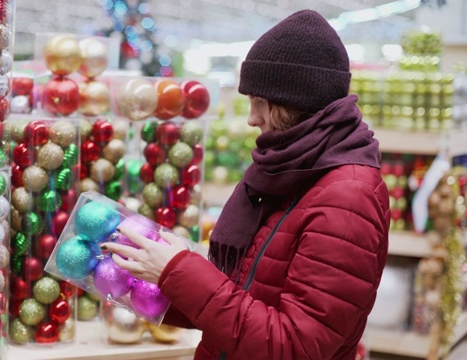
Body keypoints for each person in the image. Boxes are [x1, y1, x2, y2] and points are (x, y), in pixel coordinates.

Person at [101, 9, 390, 360]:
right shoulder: (291, 172)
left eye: (260, 103)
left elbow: (295, 347)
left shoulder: (348, 195)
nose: (252, 119)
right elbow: (244, 297)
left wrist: (180, 270)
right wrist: (154, 277)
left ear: (294, 102)